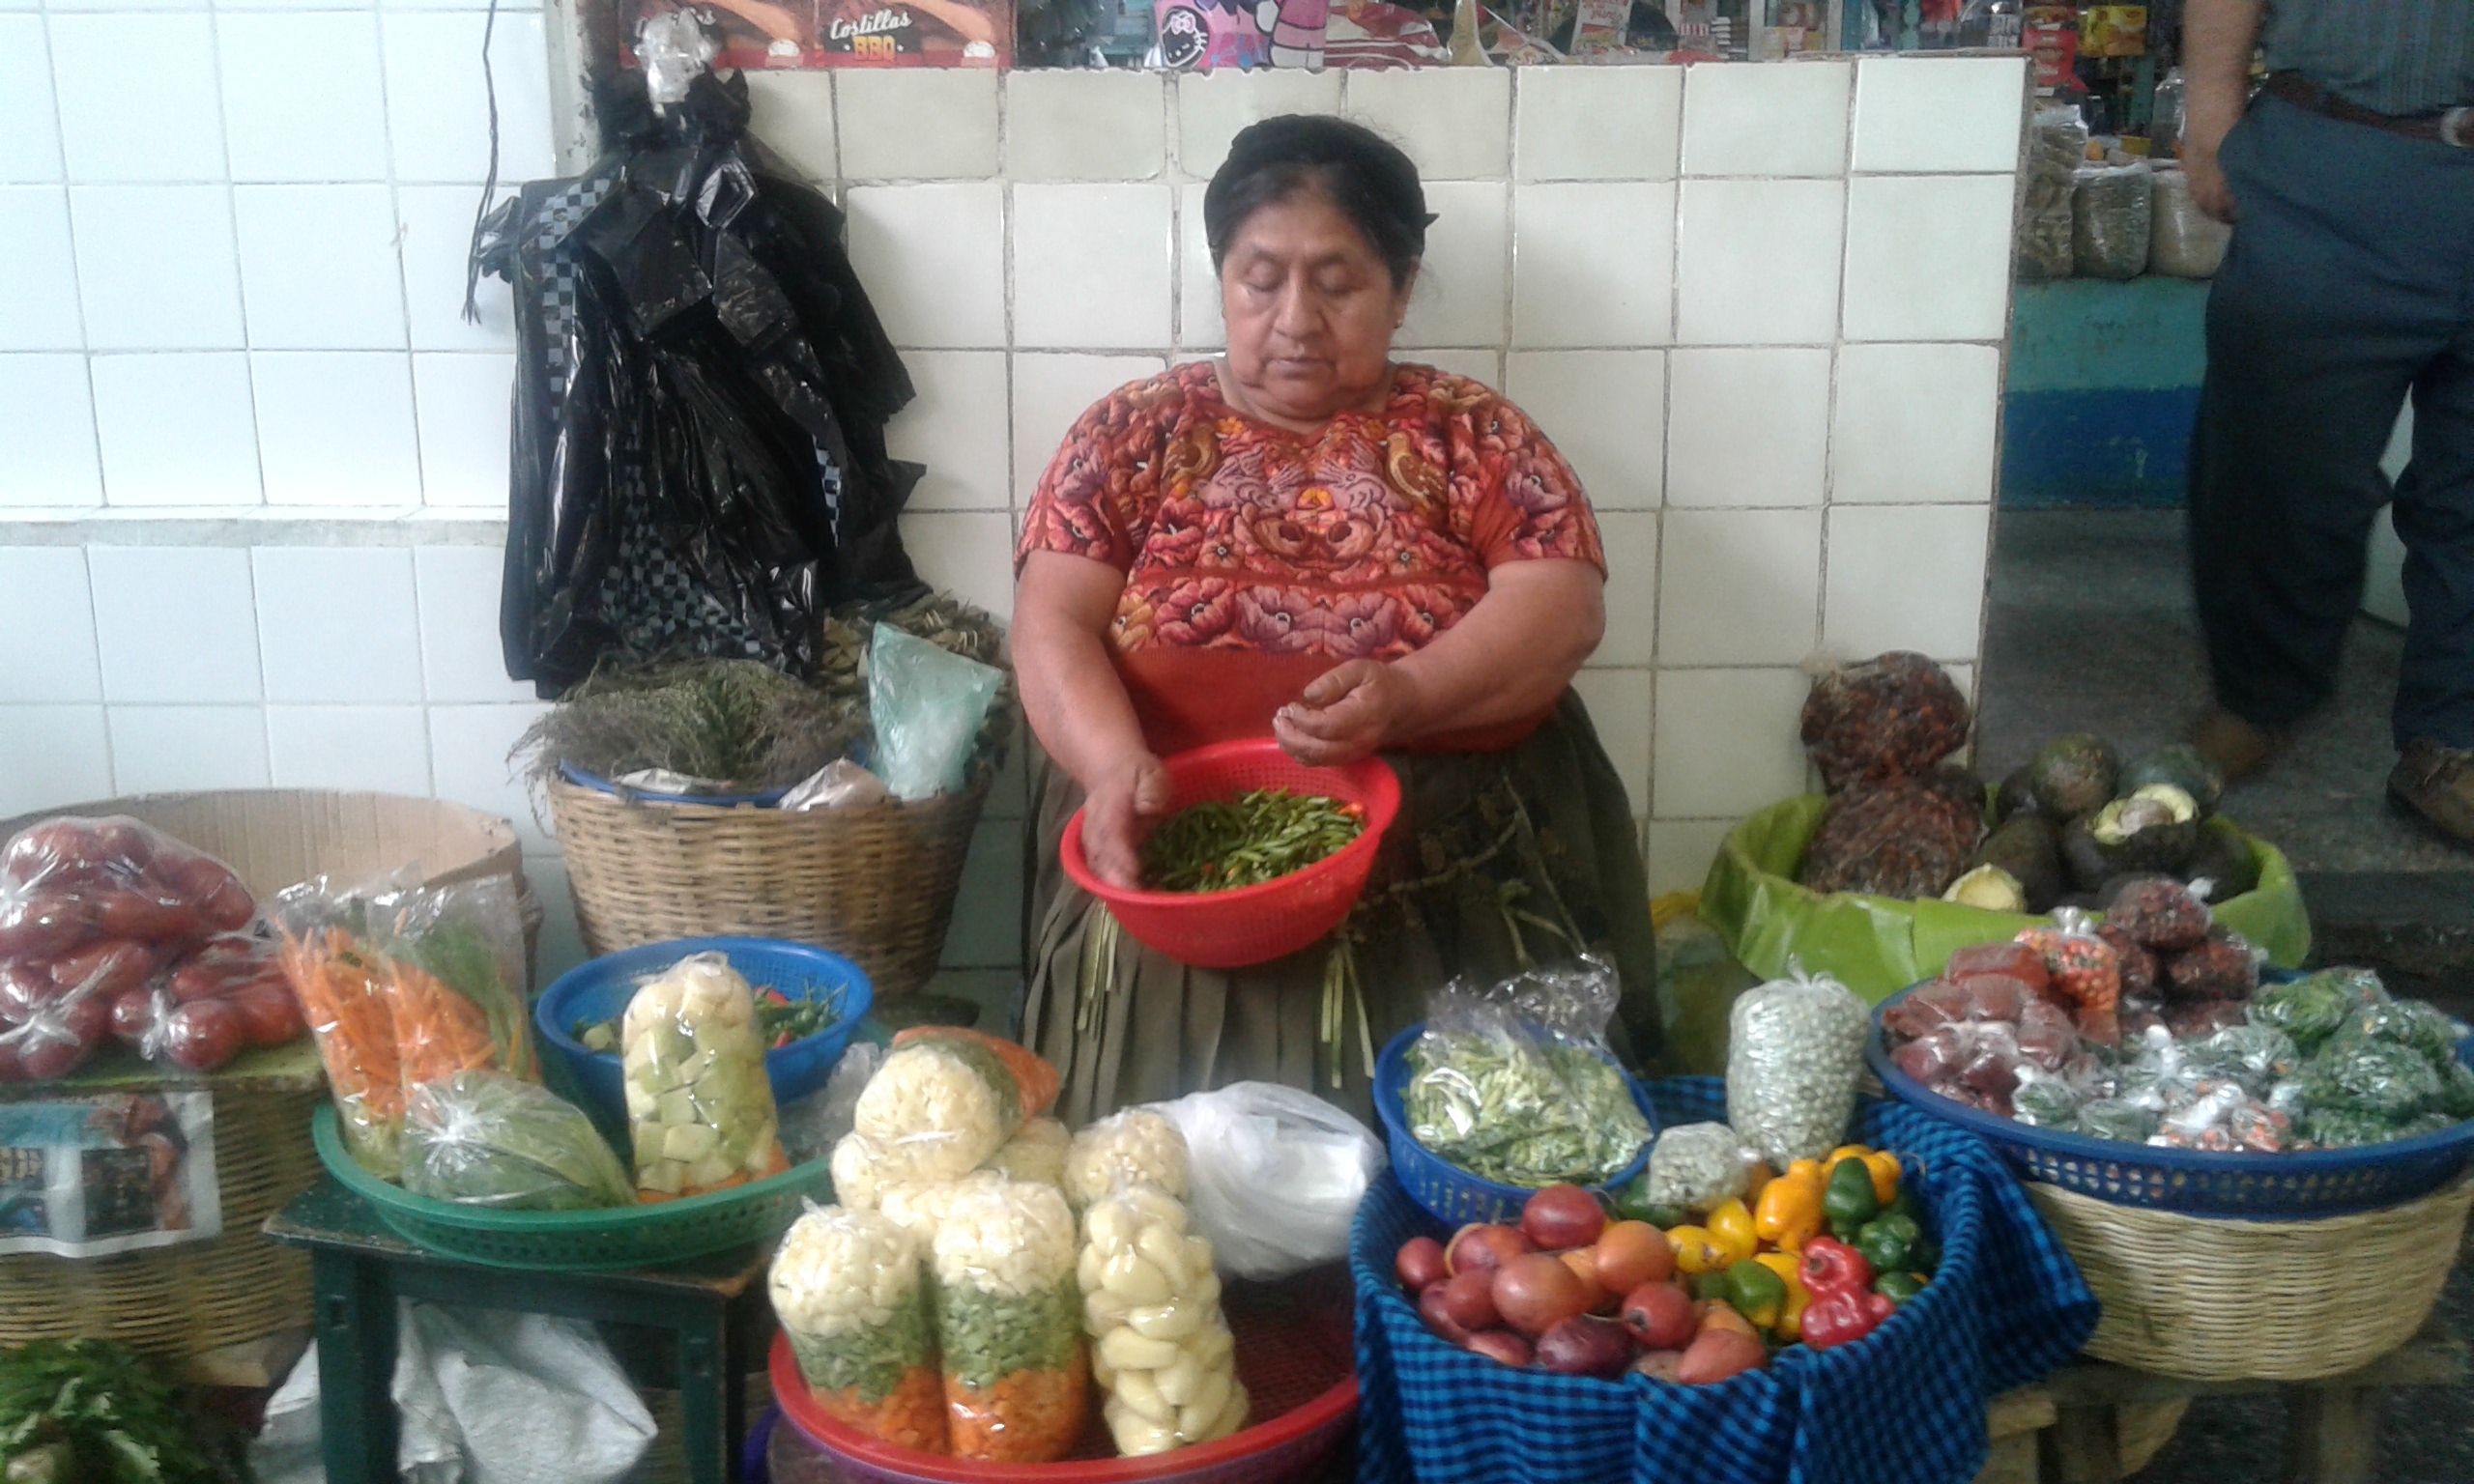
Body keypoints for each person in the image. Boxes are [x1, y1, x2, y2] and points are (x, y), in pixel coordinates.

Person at [1010, 115, 1657, 1126]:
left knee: (1472, 1194)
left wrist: (1406, 695)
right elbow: (1051, 620)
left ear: (1400, 290)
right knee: (1162, 1197)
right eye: (1260, 278)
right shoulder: (1131, 433)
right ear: (1222, 278)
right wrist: (1106, 764)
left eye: (1338, 281)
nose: (1296, 317)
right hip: (1180, 849)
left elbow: (1560, 606)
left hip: (1442, 856)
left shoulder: (1469, 430)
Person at [2180, 0, 2474, 842]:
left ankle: (2451, 740)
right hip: (2335, 162)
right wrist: (2209, 118)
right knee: (2281, 466)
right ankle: (2258, 696)